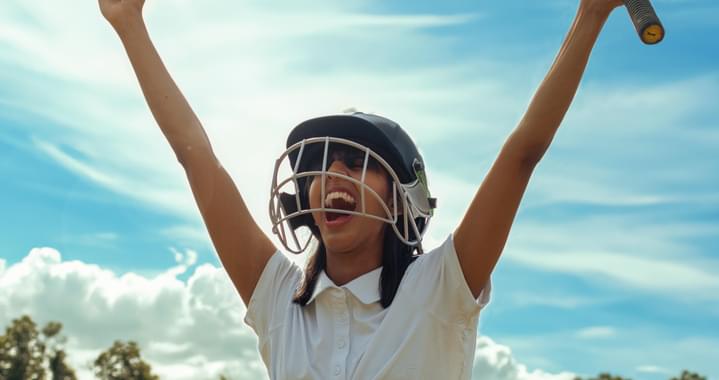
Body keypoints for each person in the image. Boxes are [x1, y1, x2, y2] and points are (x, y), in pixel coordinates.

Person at [99, 0, 625, 378]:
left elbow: (521, 157)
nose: (333, 177)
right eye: (321, 167)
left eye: (357, 164)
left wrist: (591, 13)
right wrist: (127, 24)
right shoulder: (279, 298)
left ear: (400, 198)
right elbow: (197, 160)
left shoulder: (440, 285)